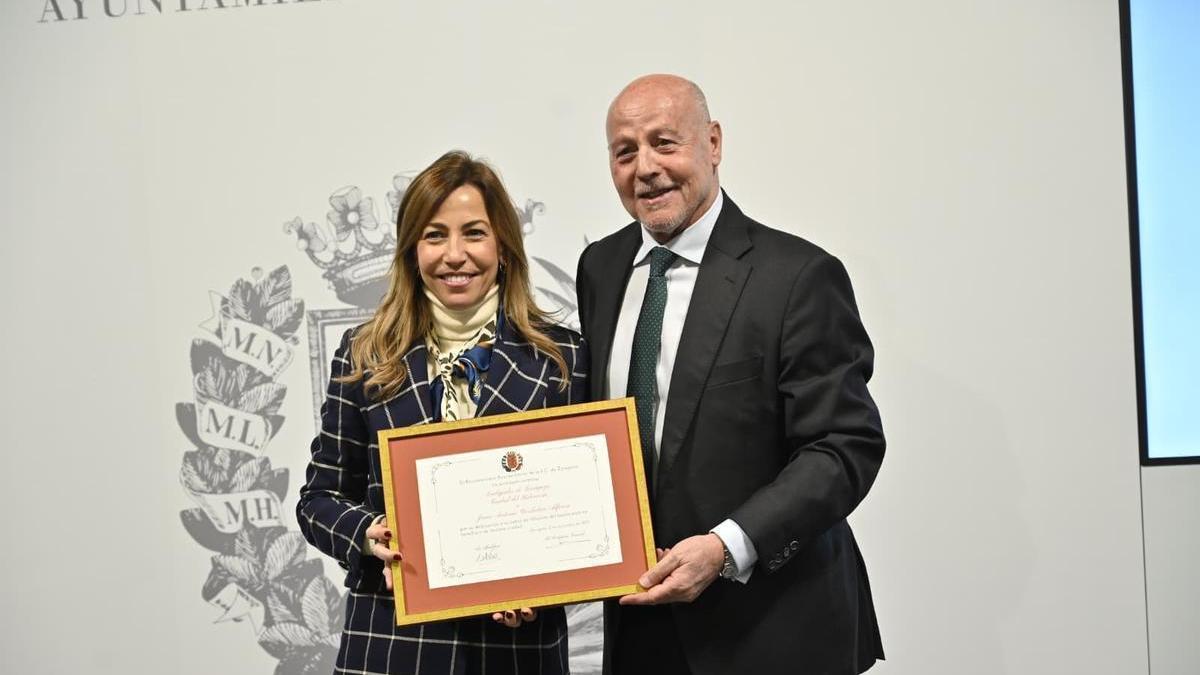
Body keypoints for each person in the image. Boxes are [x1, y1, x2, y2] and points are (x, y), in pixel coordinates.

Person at [575, 74, 886, 674]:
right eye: (625, 151)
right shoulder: (601, 267)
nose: (646, 168)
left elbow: (844, 446)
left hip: (772, 629)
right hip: (640, 627)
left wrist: (726, 547)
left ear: (712, 143)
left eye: (665, 143)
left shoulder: (797, 276)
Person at [297, 150, 588, 674]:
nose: (455, 254)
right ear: (412, 251)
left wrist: (544, 585)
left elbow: (584, 508)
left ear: (503, 246)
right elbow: (318, 500)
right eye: (434, 235)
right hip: (392, 646)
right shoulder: (364, 354)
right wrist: (370, 534)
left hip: (519, 653)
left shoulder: (563, 359)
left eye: (474, 232)